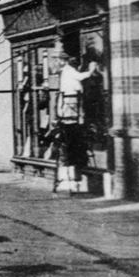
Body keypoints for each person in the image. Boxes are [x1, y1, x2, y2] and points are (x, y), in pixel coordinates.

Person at [57, 53, 99, 190]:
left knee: (70, 143)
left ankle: (72, 176)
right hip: (72, 106)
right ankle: (73, 176)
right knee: (72, 143)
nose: (58, 62)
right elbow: (81, 77)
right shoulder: (68, 71)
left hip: (70, 106)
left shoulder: (67, 71)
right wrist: (92, 70)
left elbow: (79, 77)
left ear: (64, 61)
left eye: (59, 60)